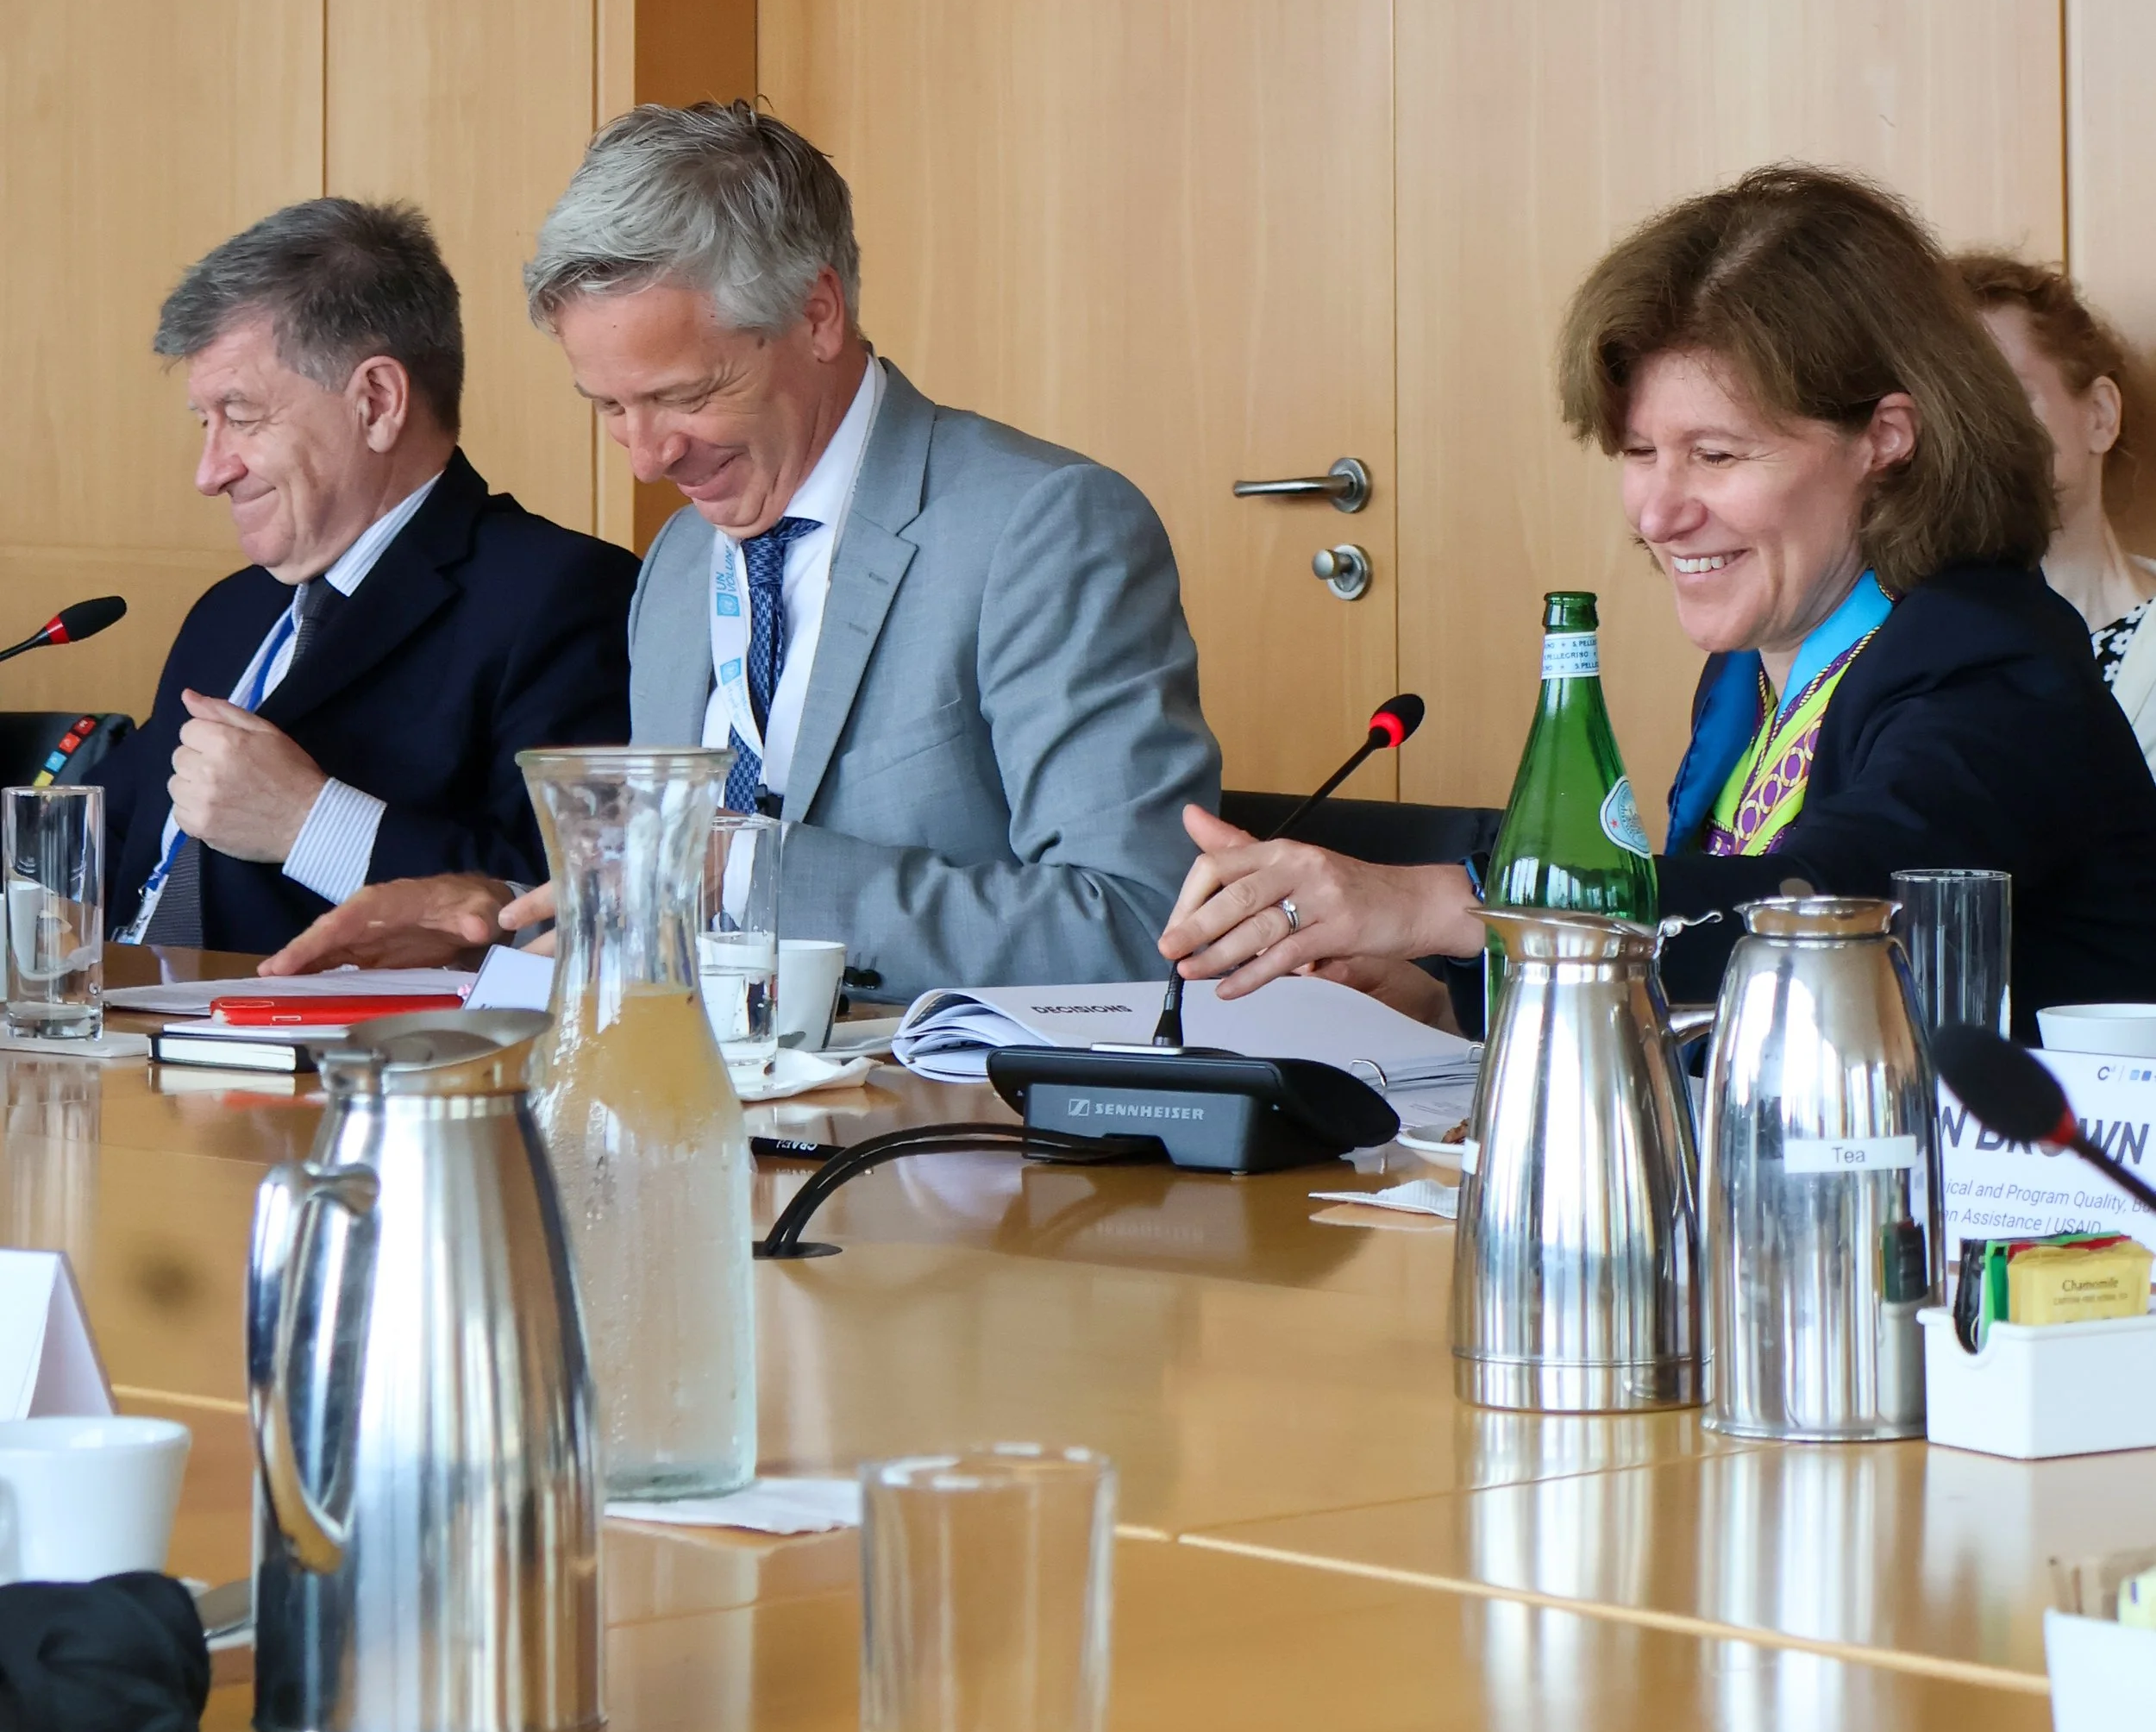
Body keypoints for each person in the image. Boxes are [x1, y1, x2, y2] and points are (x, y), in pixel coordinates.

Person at [1161, 166, 2156, 1035]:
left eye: (1715, 454)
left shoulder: (1989, 657)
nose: (1657, 513)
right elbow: (1703, 949)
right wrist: (1451, 1000)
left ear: (1885, 438)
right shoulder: (1754, 667)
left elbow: (1824, 911)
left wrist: (1442, 903)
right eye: (1638, 453)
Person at [266, 103, 1220, 995]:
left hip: (943, 1145)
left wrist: (745, 870)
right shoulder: (679, 567)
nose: (647, 459)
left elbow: (1139, 928)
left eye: (684, 395)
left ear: (816, 314)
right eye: (609, 407)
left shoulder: (1041, 529)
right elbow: (670, 910)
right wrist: (494, 926)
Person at [98, 199, 636, 957]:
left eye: (242, 416)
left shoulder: (563, 597)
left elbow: (573, 908)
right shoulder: (229, 611)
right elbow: (96, 846)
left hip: (328, 1059)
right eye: (204, 422)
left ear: (377, 403)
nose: (209, 472)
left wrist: (308, 822)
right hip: (108, 1039)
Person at [1956, 251, 2156, 773]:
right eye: (1952, 409)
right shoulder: (1901, 644)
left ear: (2100, 416)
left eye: (2007, 397)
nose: (1978, 433)